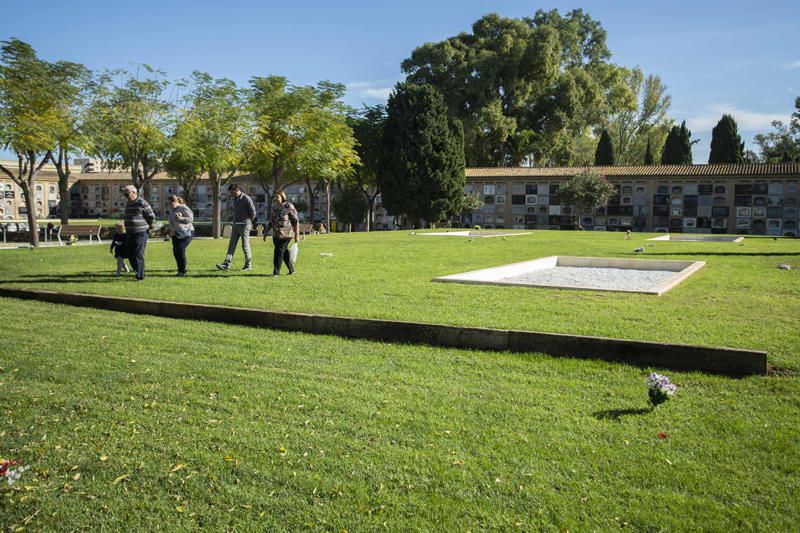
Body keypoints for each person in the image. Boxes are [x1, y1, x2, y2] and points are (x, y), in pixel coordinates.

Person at [216, 183, 256, 271]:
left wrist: (249, 222)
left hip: (244, 225)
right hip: (236, 225)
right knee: (232, 245)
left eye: (233, 192)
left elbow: (253, 212)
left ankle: (248, 265)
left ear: (237, 190)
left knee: (245, 245)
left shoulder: (246, 199)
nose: (232, 194)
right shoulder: (235, 199)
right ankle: (227, 264)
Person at [122, 185, 155, 281]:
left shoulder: (142, 203)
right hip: (129, 233)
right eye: (124, 194)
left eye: (127, 194)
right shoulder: (128, 203)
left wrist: (146, 225)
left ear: (134, 192)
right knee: (130, 254)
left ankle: (140, 276)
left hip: (140, 232)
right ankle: (138, 270)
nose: (125, 196)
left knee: (138, 254)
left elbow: (152, 216)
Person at [264, 190, 299, 276]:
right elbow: (271, 221)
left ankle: (276, 273)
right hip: (276, 234)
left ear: (282, 197)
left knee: (278, 251)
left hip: (286, 234)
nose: (275, 199)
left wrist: (297, 235)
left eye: (277, 197)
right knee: (284, 252)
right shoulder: (274, 208)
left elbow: (295, 221)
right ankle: (292, 270)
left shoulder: (288, 206)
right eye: (274, 197)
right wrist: (266, 232)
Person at [167, 194, 194, 277]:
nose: (169, 205)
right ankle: (180, 270)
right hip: (176, 234)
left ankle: (183, 271)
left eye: (170, 203)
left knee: (180, 249)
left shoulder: (183, 208)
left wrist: (181, 218)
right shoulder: (172, 210)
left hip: (187, 232)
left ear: (175, 202)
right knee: (176, 252)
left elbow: (191, 219)